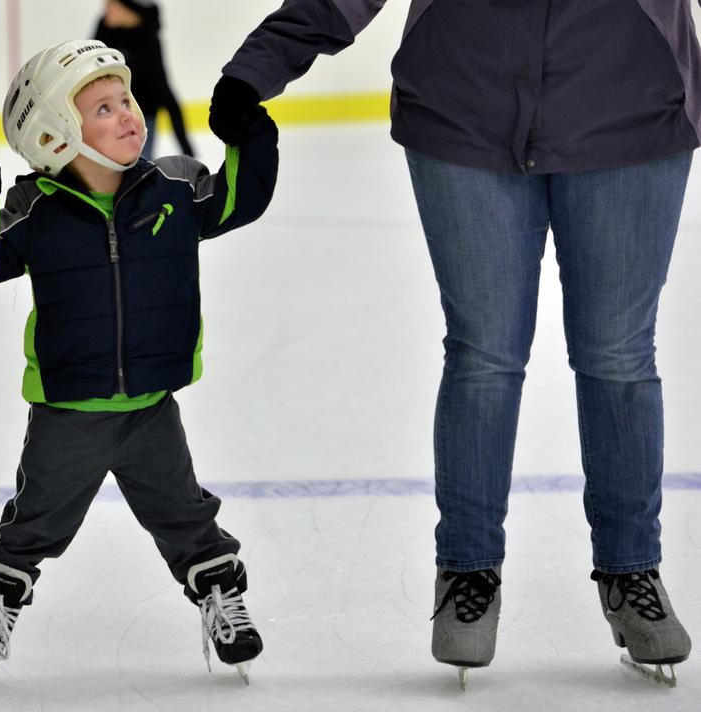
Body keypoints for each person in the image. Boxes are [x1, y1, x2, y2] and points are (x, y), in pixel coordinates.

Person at [210, 0, 694, 688]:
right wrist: (257, 68)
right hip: (464, 110)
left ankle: (630, 571)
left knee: (618, 357)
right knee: (484, 356)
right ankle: (468, 570)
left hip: (630, 105)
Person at [0, 39, 278, 687]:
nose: (128, 115)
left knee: (183, 512)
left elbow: (240, 199)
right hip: (69, 407)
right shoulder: (36, 211)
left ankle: (218, 595)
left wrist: (250, 135)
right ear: (57, 132)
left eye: (125, 100)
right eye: (103, 107)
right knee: (38, 519)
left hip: (152, 404)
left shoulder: (174, 187)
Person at [94, 0, 195, 159]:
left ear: (126, 9)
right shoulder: (104, 28)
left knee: (139, 160)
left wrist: (188, 151)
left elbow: (163, 89)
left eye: (111, 6)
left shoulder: (148, 38)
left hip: (143, 112)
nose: (105, 11)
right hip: (106, 112)